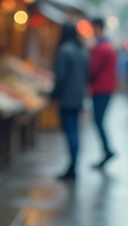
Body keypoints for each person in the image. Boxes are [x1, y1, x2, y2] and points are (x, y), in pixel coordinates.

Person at [50, 23, 89, 180]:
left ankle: (72, 167)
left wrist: (54, 96)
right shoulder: (82, 51)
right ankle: (73, 165)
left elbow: (60, 77)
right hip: (78, 97)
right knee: (75, 132)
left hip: (66, 98)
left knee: (70, 131)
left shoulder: (64, 50)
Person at [87, 18, 116, 168]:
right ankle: (106, 150)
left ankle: (107, 150)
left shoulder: (101, 48)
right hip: (107, 88)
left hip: (100, 89)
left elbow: (93, 69)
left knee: (98, 121)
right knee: (99, 121)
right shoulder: (108, 46)